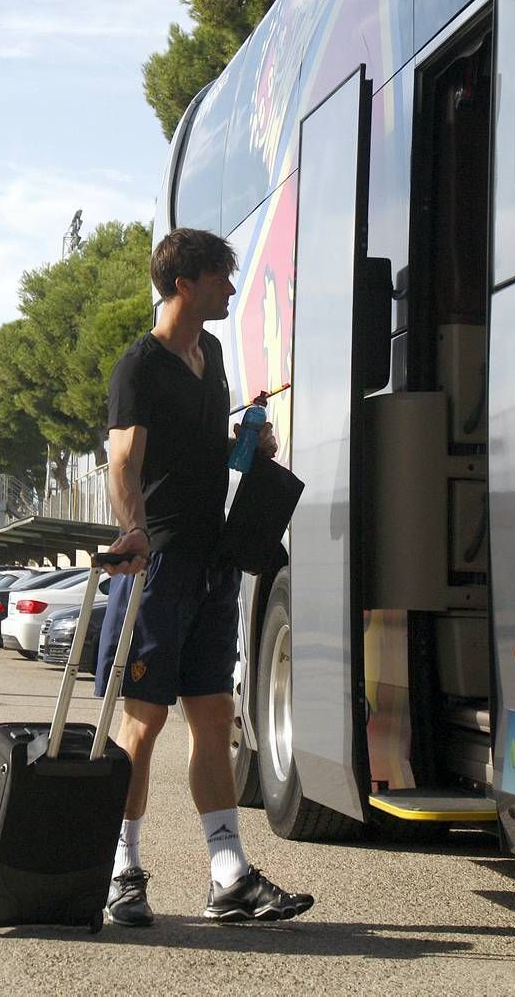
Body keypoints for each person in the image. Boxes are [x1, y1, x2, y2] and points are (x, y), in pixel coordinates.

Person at [95, 227, 314, 926]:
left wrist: (247, 444)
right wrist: (134, 532)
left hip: (214, 559)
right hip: (158, 565)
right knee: (143, 720)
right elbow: (124, 462)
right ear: (185, 281)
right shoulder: (140, 365)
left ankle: (229, 876)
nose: (231, 286)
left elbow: (198, 449)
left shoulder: (210, 353)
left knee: (214, 717)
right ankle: (121, 869)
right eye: (223, 275)